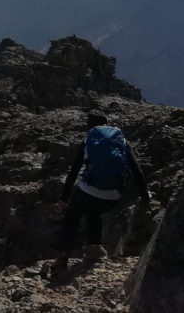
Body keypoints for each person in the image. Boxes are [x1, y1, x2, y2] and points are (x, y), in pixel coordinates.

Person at [52, 112, 150, 276]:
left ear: (90, 127)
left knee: (71, 218)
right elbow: (137, 172)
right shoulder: (122, 142)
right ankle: (93, 253)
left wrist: (63, 198)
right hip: (112, 197)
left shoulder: (88, 142)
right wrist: (146, 197)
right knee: (94, 214)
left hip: (87, 193)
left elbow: (74, 172)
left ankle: (62, 259)